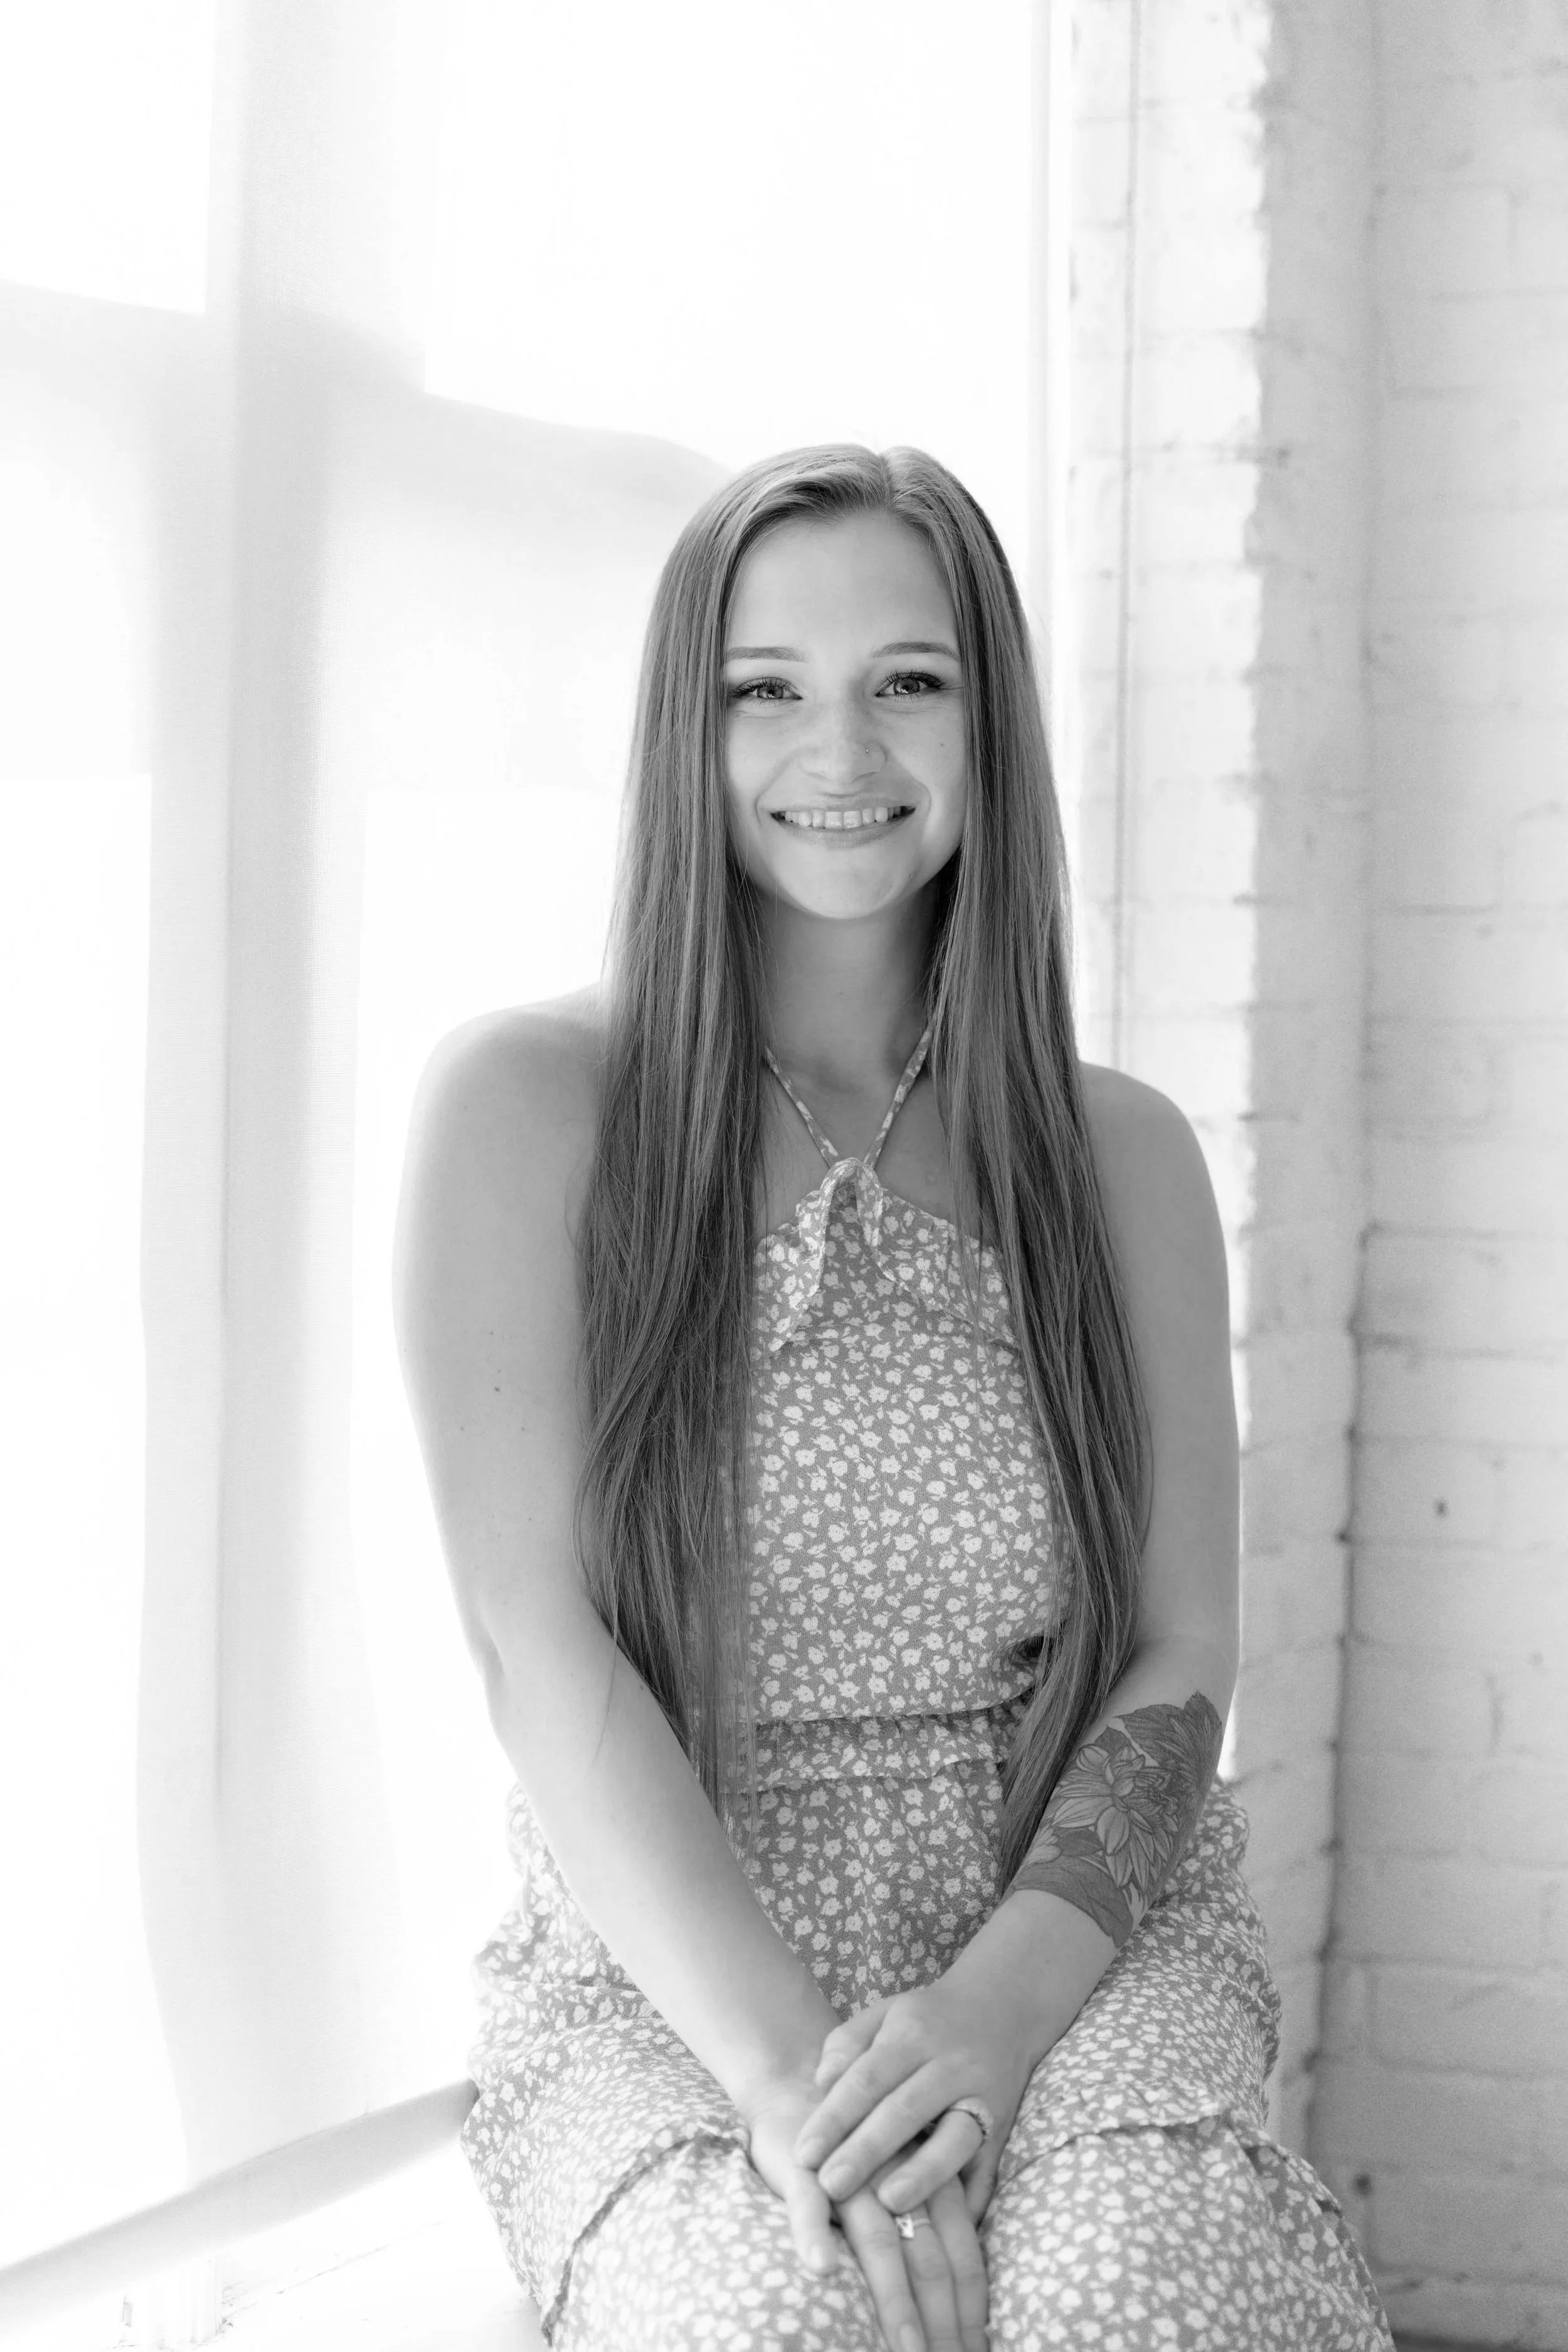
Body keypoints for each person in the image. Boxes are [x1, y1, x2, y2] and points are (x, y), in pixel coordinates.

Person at [394, 445, 1394, 2352]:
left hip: (1067, 1942)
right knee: (762, 2324)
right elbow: (537, 1648)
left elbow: (1181, 1651)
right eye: (764, 685)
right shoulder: (523, 1112)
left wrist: (990, 2019)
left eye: (907, 679)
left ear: (988, 719)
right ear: (684, 730)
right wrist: (802, 2084)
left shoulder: (1118, 1153)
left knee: (1132, 2304)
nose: (837, 747)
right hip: (676, 1963)